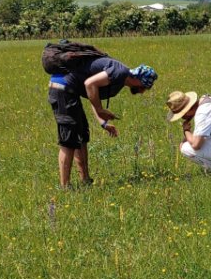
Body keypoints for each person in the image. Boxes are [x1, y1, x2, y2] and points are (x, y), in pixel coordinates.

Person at [48, 57, 157, 188]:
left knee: (82, 135)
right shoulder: (120, 73)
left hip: (70, 90)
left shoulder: (120, 80)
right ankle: (64, 187)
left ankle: (86, 180)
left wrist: (103, 123)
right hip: (62, 87)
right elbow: (89, 84)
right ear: (139, 80)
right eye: (144, 87)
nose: (142, 91)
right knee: (69, 139)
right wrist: (100, 111)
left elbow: (93, 95)